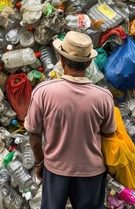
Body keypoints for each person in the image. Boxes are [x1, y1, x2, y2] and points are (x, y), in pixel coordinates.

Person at [24, 31, 115, 209]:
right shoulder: (104, 97)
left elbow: (34, 135)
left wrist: (39, 162)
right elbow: (109, 134)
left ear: (61, 59)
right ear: (89, 63)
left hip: (56, 169)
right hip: (91, 172)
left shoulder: (43, 92)